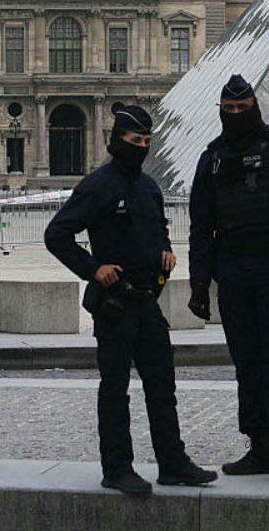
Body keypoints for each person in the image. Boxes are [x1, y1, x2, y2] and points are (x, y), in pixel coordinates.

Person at [45, 106, 217, 495]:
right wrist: (92, 268)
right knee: (115, 389)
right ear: (116, 140)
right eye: (134, 141)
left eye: (145, 141)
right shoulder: (97, 185)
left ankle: (172, 463)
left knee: (162, 387)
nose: (140, 147)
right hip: (115, 304)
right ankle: (117, 468)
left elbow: (157, 229)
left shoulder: (149, 186)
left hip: (147, 302)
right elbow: (56, 234)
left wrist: (165, 251)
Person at [187, 74, 269, 484]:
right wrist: (198, 283)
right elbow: (200, 225)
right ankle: (259, 444)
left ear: (255, 107)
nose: (237, 115)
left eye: (243, 110)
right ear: (221, 112)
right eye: (230, 111)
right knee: (246, 362)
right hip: (234, 269)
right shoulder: (212, 158)